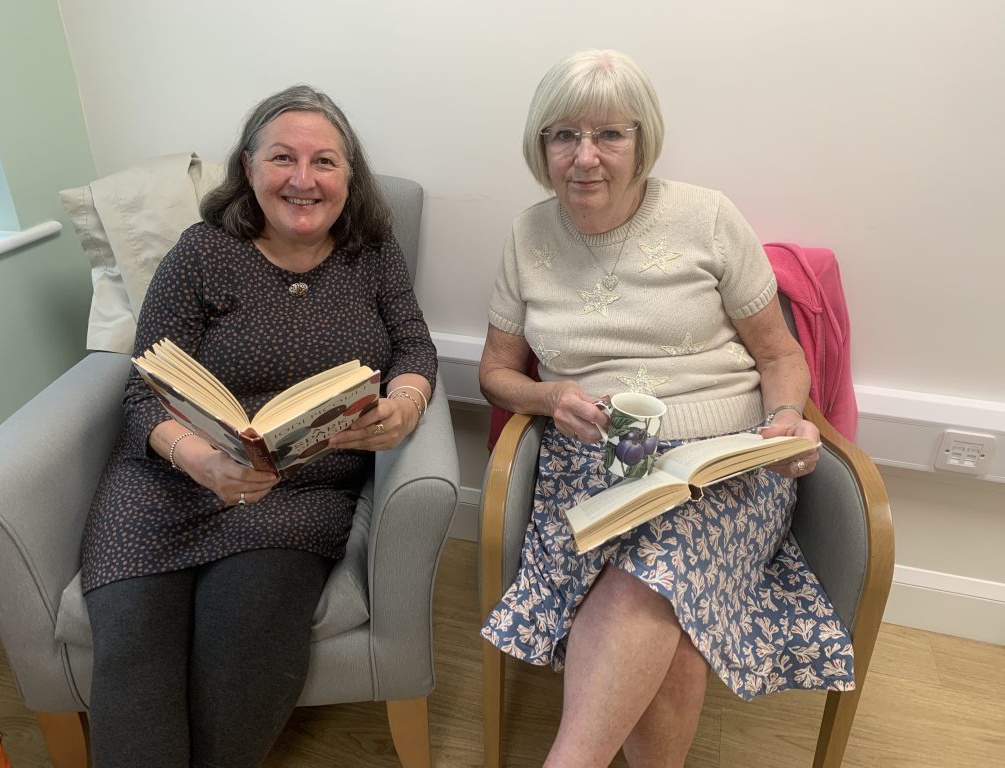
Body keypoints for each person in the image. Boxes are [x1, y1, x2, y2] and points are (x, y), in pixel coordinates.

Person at [479, 50, 853, 768]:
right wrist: (549, 394)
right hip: (597, 464)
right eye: (564, 135)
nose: (585, 157)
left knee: (663, 569)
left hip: (725, 465)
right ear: (541, 146)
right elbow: (496, 373)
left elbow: (779, 355)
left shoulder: (708, 218)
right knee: (675, 631)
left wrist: (781, 422)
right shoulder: (527, 237)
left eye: (609, 135)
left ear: (642, 141)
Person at [81, 85, 437, 767]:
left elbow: (414, 346)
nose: (303, 180)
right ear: (248, 168)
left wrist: (406, 404)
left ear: (349, 176)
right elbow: (143, 388)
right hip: (163, 489)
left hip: (296, 501)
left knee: (244, 648)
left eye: (325, 162)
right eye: (282, 158)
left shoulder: (373, 252)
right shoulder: (202, 252)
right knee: (132, 658)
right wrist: (201, 461)